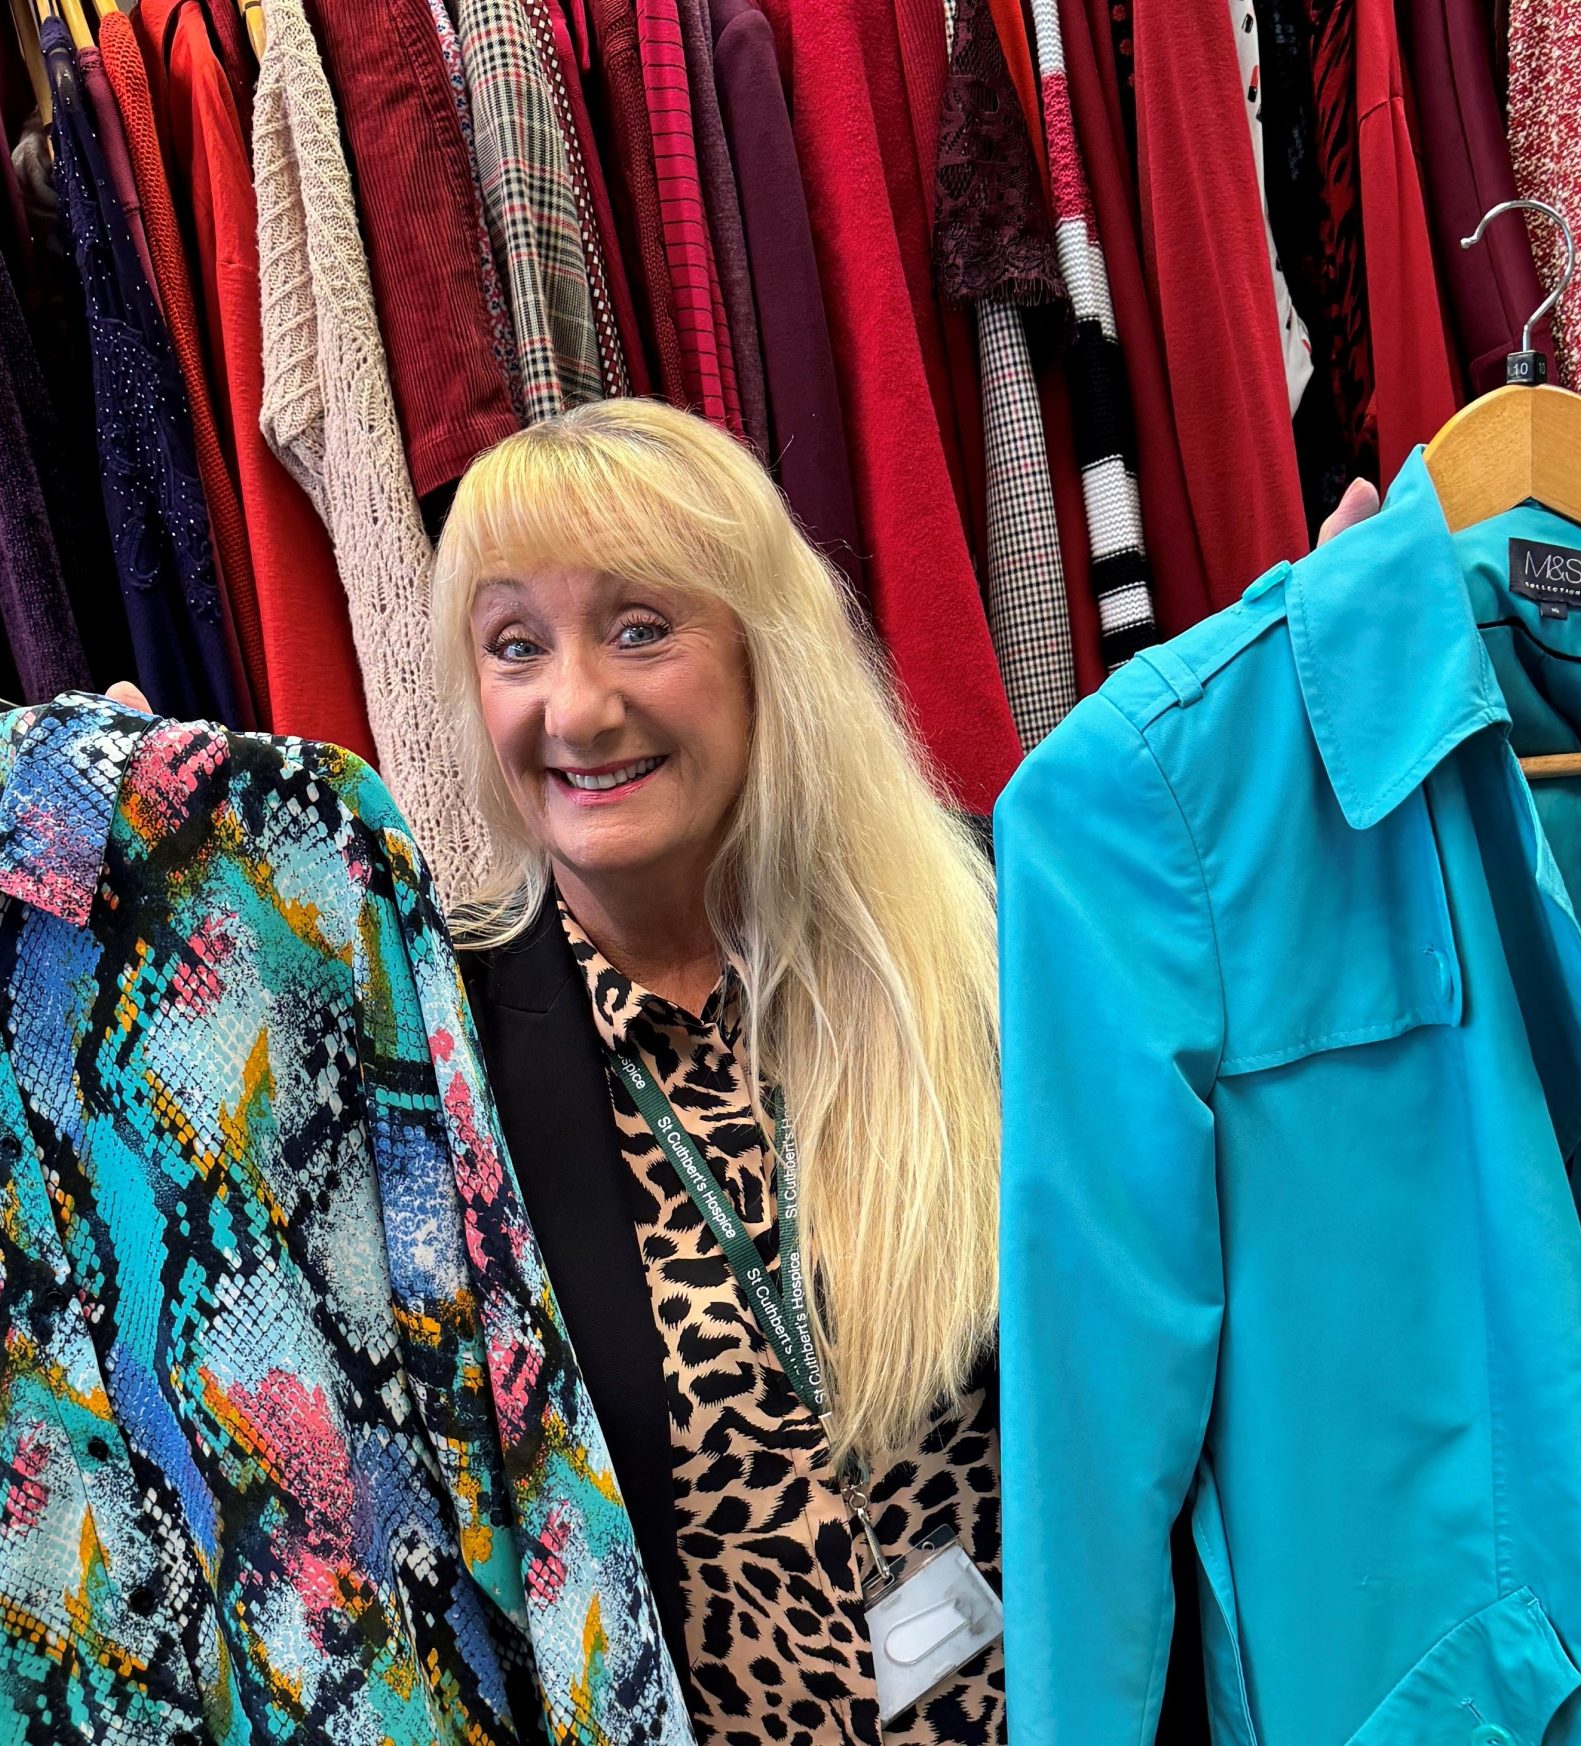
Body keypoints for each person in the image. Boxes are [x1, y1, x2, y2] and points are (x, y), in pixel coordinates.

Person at [437, 398, 1009, 1746]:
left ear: (768, 650)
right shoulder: (437, 1052)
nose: (574, 705)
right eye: (514, 644)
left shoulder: (989, 937)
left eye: (641, 625)